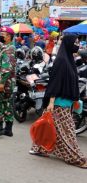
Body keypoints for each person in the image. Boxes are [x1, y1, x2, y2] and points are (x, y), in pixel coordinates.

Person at [29, 34, 87, 169]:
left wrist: (75, 100)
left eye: (78, 42)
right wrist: (51, 103)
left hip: (66, 103)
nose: (78, 45)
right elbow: (55, 83)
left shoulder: (69, 59)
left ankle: (39, 148)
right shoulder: (61, 60)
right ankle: (75, 158)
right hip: (58, 104)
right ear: (68, 43)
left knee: (54, 128)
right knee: (67, 132)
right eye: (76, 42)